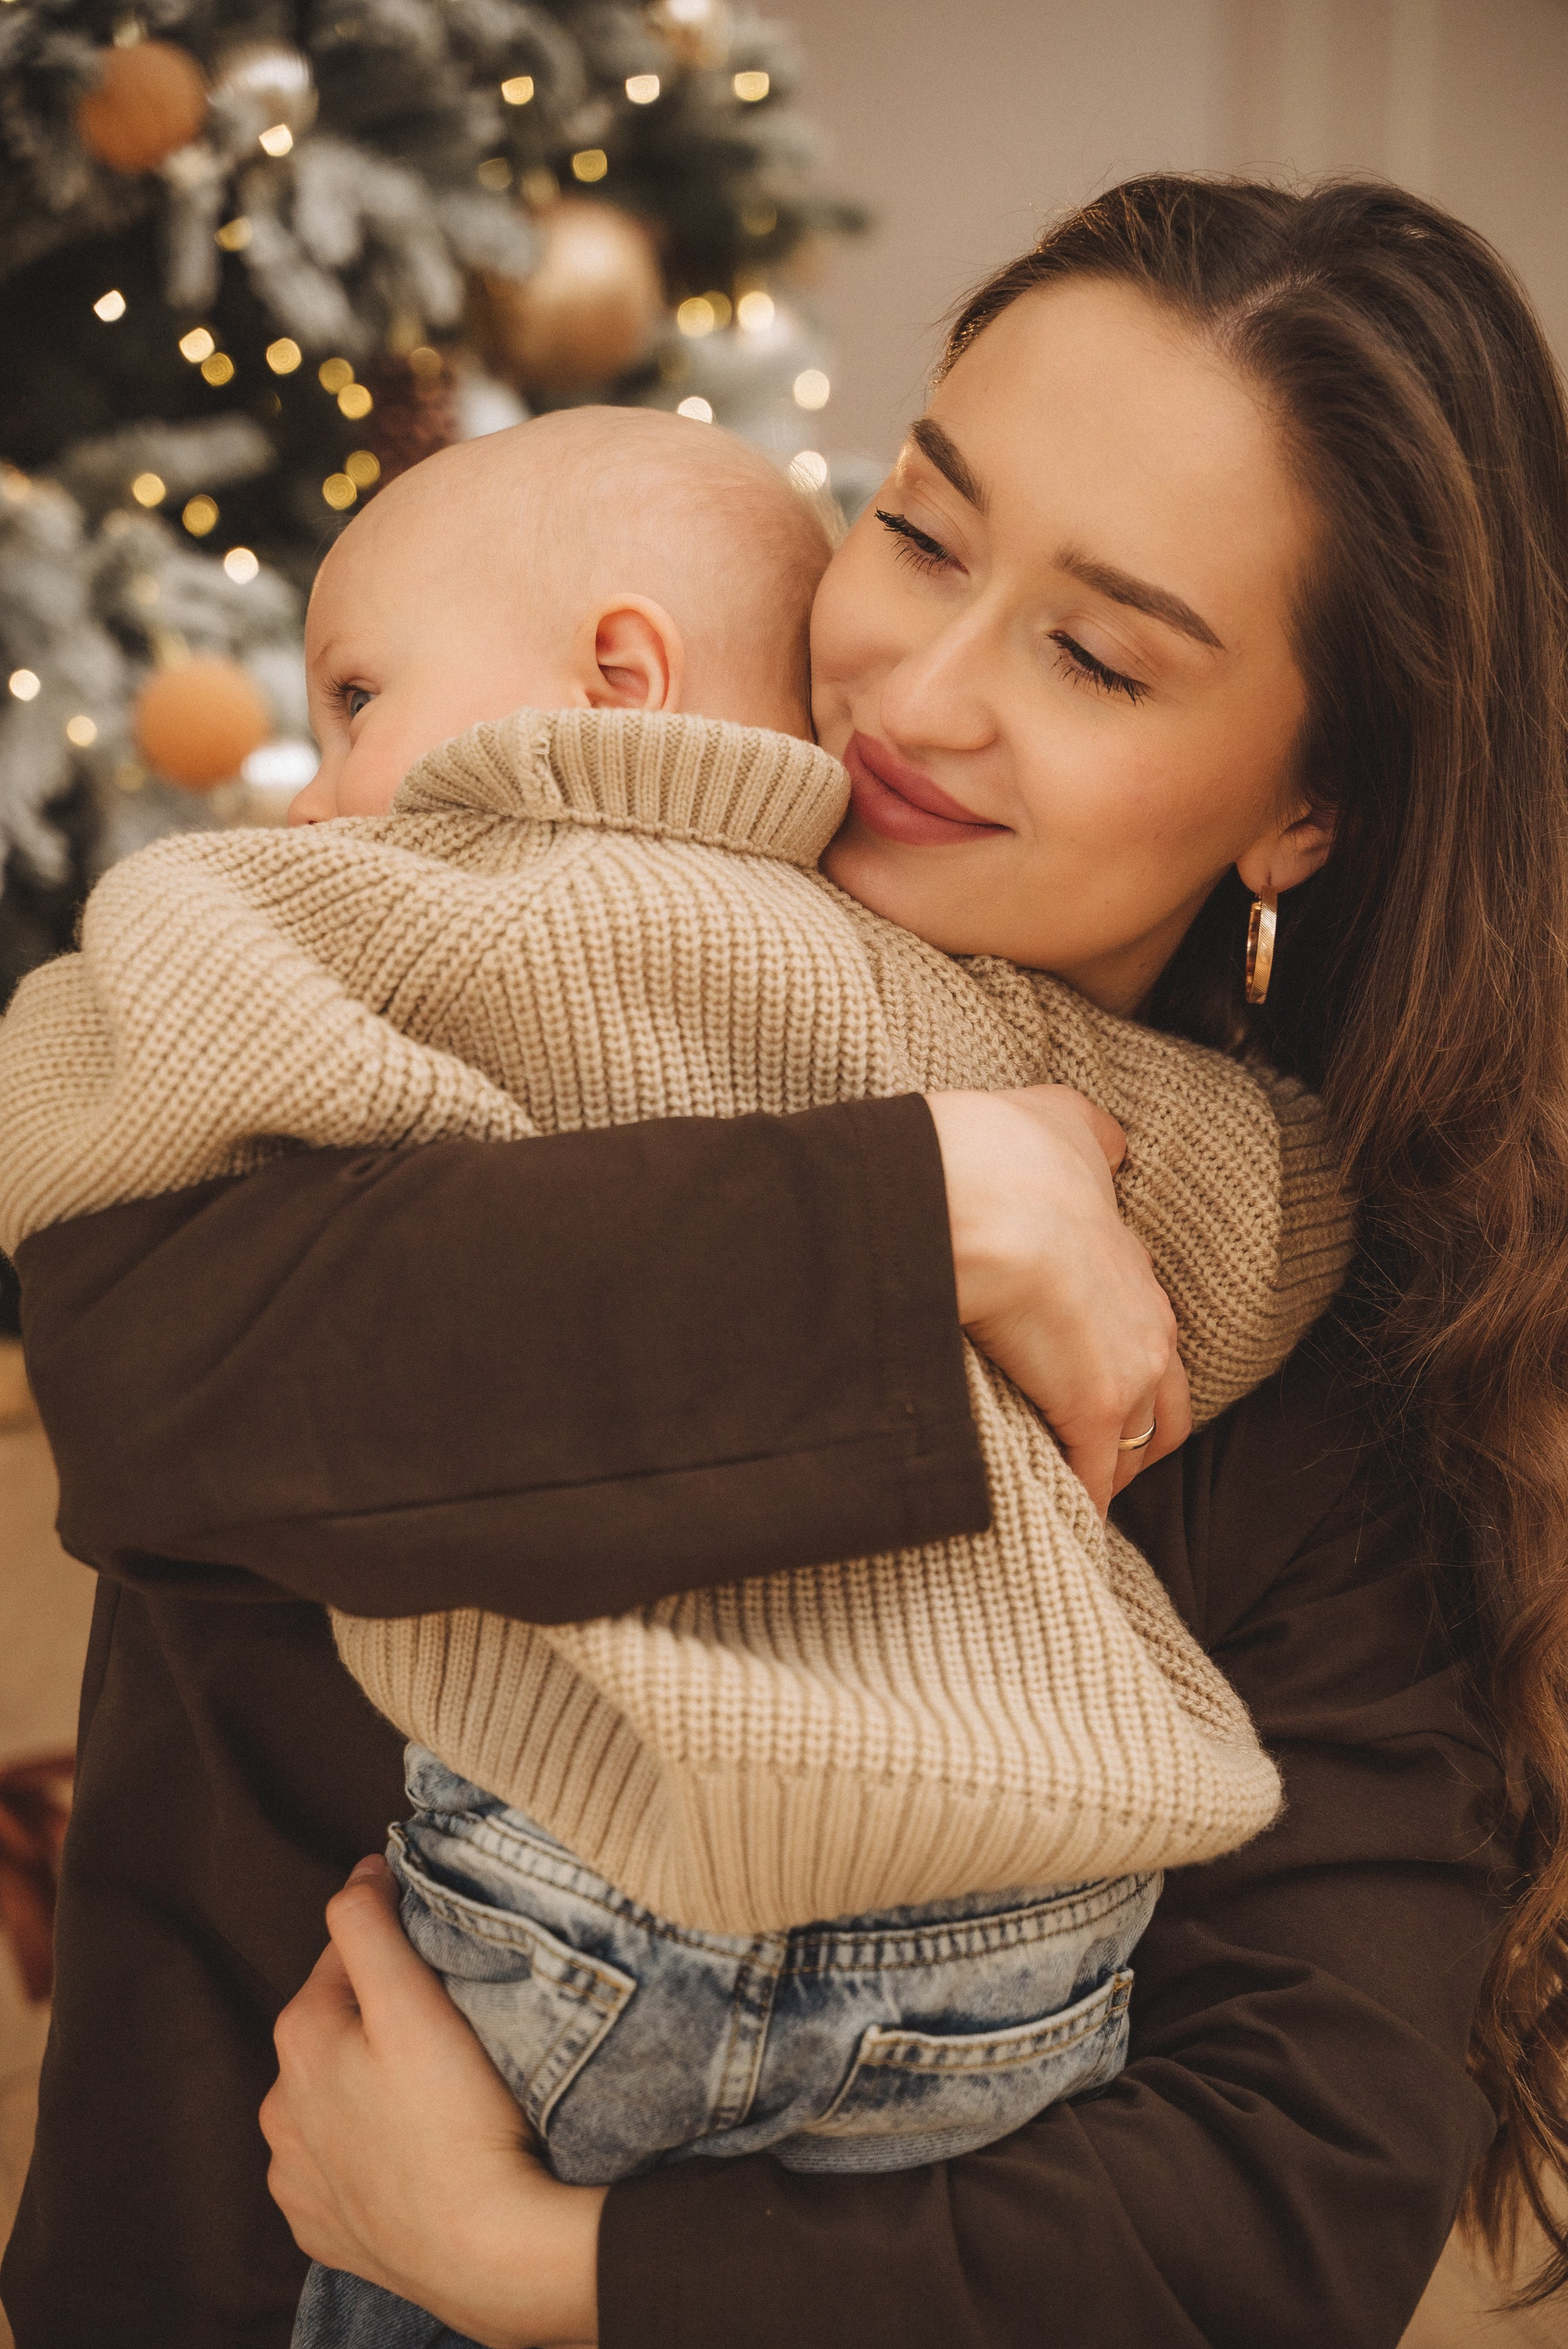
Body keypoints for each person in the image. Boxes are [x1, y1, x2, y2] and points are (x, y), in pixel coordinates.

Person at [4, 169, 1564, 2347]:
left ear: (1309, 807)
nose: (916, 692)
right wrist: (926, 1213)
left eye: (1097, 655)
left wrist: (539, 2263)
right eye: (919, 532)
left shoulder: (1323, 1334)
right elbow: (144, 1384)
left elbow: (1280, 2209)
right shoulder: (464, 946)